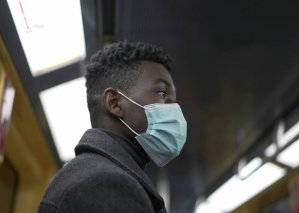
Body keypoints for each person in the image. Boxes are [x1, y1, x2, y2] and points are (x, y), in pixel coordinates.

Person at [38, 41, 187, 213]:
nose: (174, 109)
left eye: (173, 100)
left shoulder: (91, 171)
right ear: (115, 103)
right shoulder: (105, 184)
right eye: (162, 93)